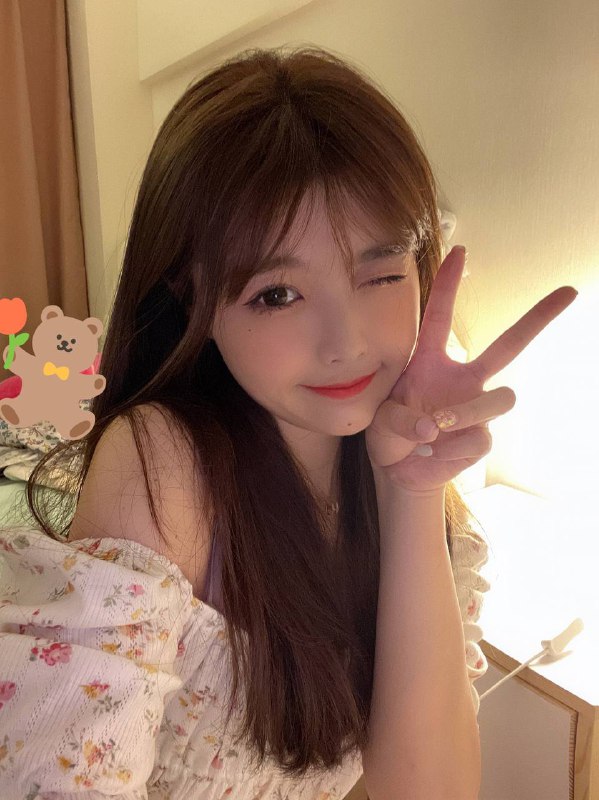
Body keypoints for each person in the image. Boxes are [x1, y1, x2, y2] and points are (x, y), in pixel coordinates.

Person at [0, 45, 576, 799]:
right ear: (194, 296)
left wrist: (409, 487)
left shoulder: (403, 465)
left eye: (379, 273)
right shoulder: (161, 459)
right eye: (277, 294)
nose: (345, 344)